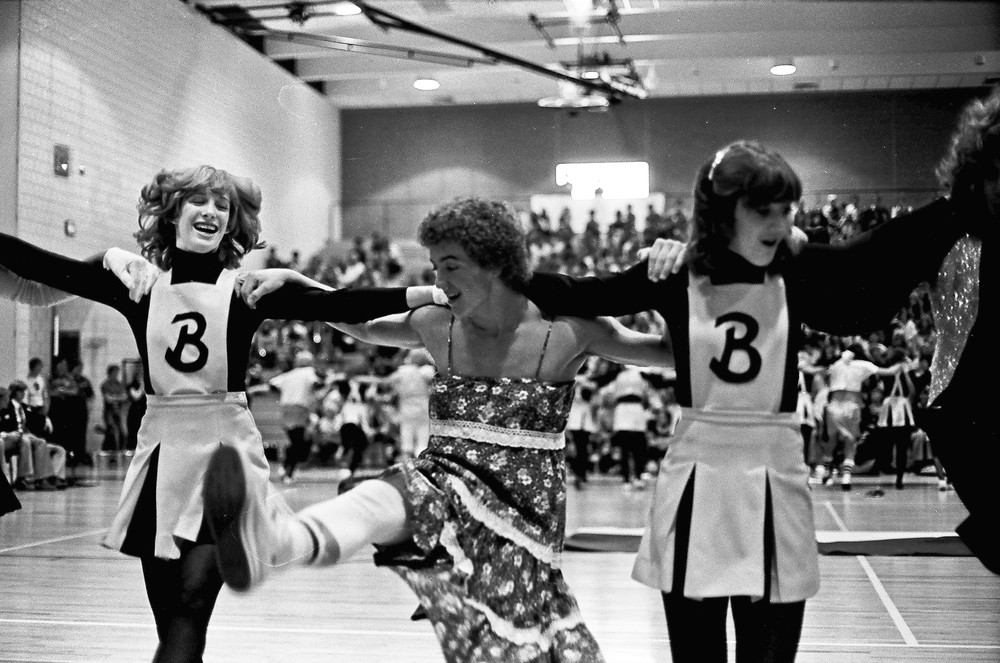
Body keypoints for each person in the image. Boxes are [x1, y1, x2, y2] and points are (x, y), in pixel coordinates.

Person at [522, 139, 984, 662]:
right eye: (764, 211)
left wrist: (960, 205)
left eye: (787, 210)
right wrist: (495, 274)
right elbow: (583, 294)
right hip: (696, 484)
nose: (779, 223)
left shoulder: (798, 269)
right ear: (722, 214)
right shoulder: (676, 273)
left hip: (776, 482)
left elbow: (870, 263)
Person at [0, 164, 442, 663]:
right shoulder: (137, 284)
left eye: (223, 205)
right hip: (159, 462)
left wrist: (432, 292)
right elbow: (38, 266)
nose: (211, 211)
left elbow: (345, 305)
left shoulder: (247, 290)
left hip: (226, 461)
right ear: (172, 213)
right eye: (198, 201)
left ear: (233, 223)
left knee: (192, 602)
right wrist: (106, 255)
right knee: (172, 620)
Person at [202, 196, 673, 663]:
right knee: (384, 495)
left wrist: (671, 288)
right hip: (443, 475)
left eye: (451, 267)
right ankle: (278, 540)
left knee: (517, 648)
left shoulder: (571, 329)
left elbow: (669, 354)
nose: (438, 282)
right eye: (434, 268)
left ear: (497, 264)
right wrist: (299, 282)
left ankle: (284, 540)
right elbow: (362, 324)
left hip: (524, 509)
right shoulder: (436, 322)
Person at [268, 350, 321, 483]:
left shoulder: (290, 374)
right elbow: (315, 383)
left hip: (286, 408)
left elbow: (273, 383)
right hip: (300, 407)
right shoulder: (309, 371)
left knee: (294, 440)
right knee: (298, 442)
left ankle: (286, 467)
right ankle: (288, 471)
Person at [386, 348, 435, 460]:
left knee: (407, 437)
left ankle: (407, 464)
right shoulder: (427, 371)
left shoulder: (403, 370)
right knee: (422, 439)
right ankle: (421, 463)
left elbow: (388, 380)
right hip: (423, 407)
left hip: (407, 408)